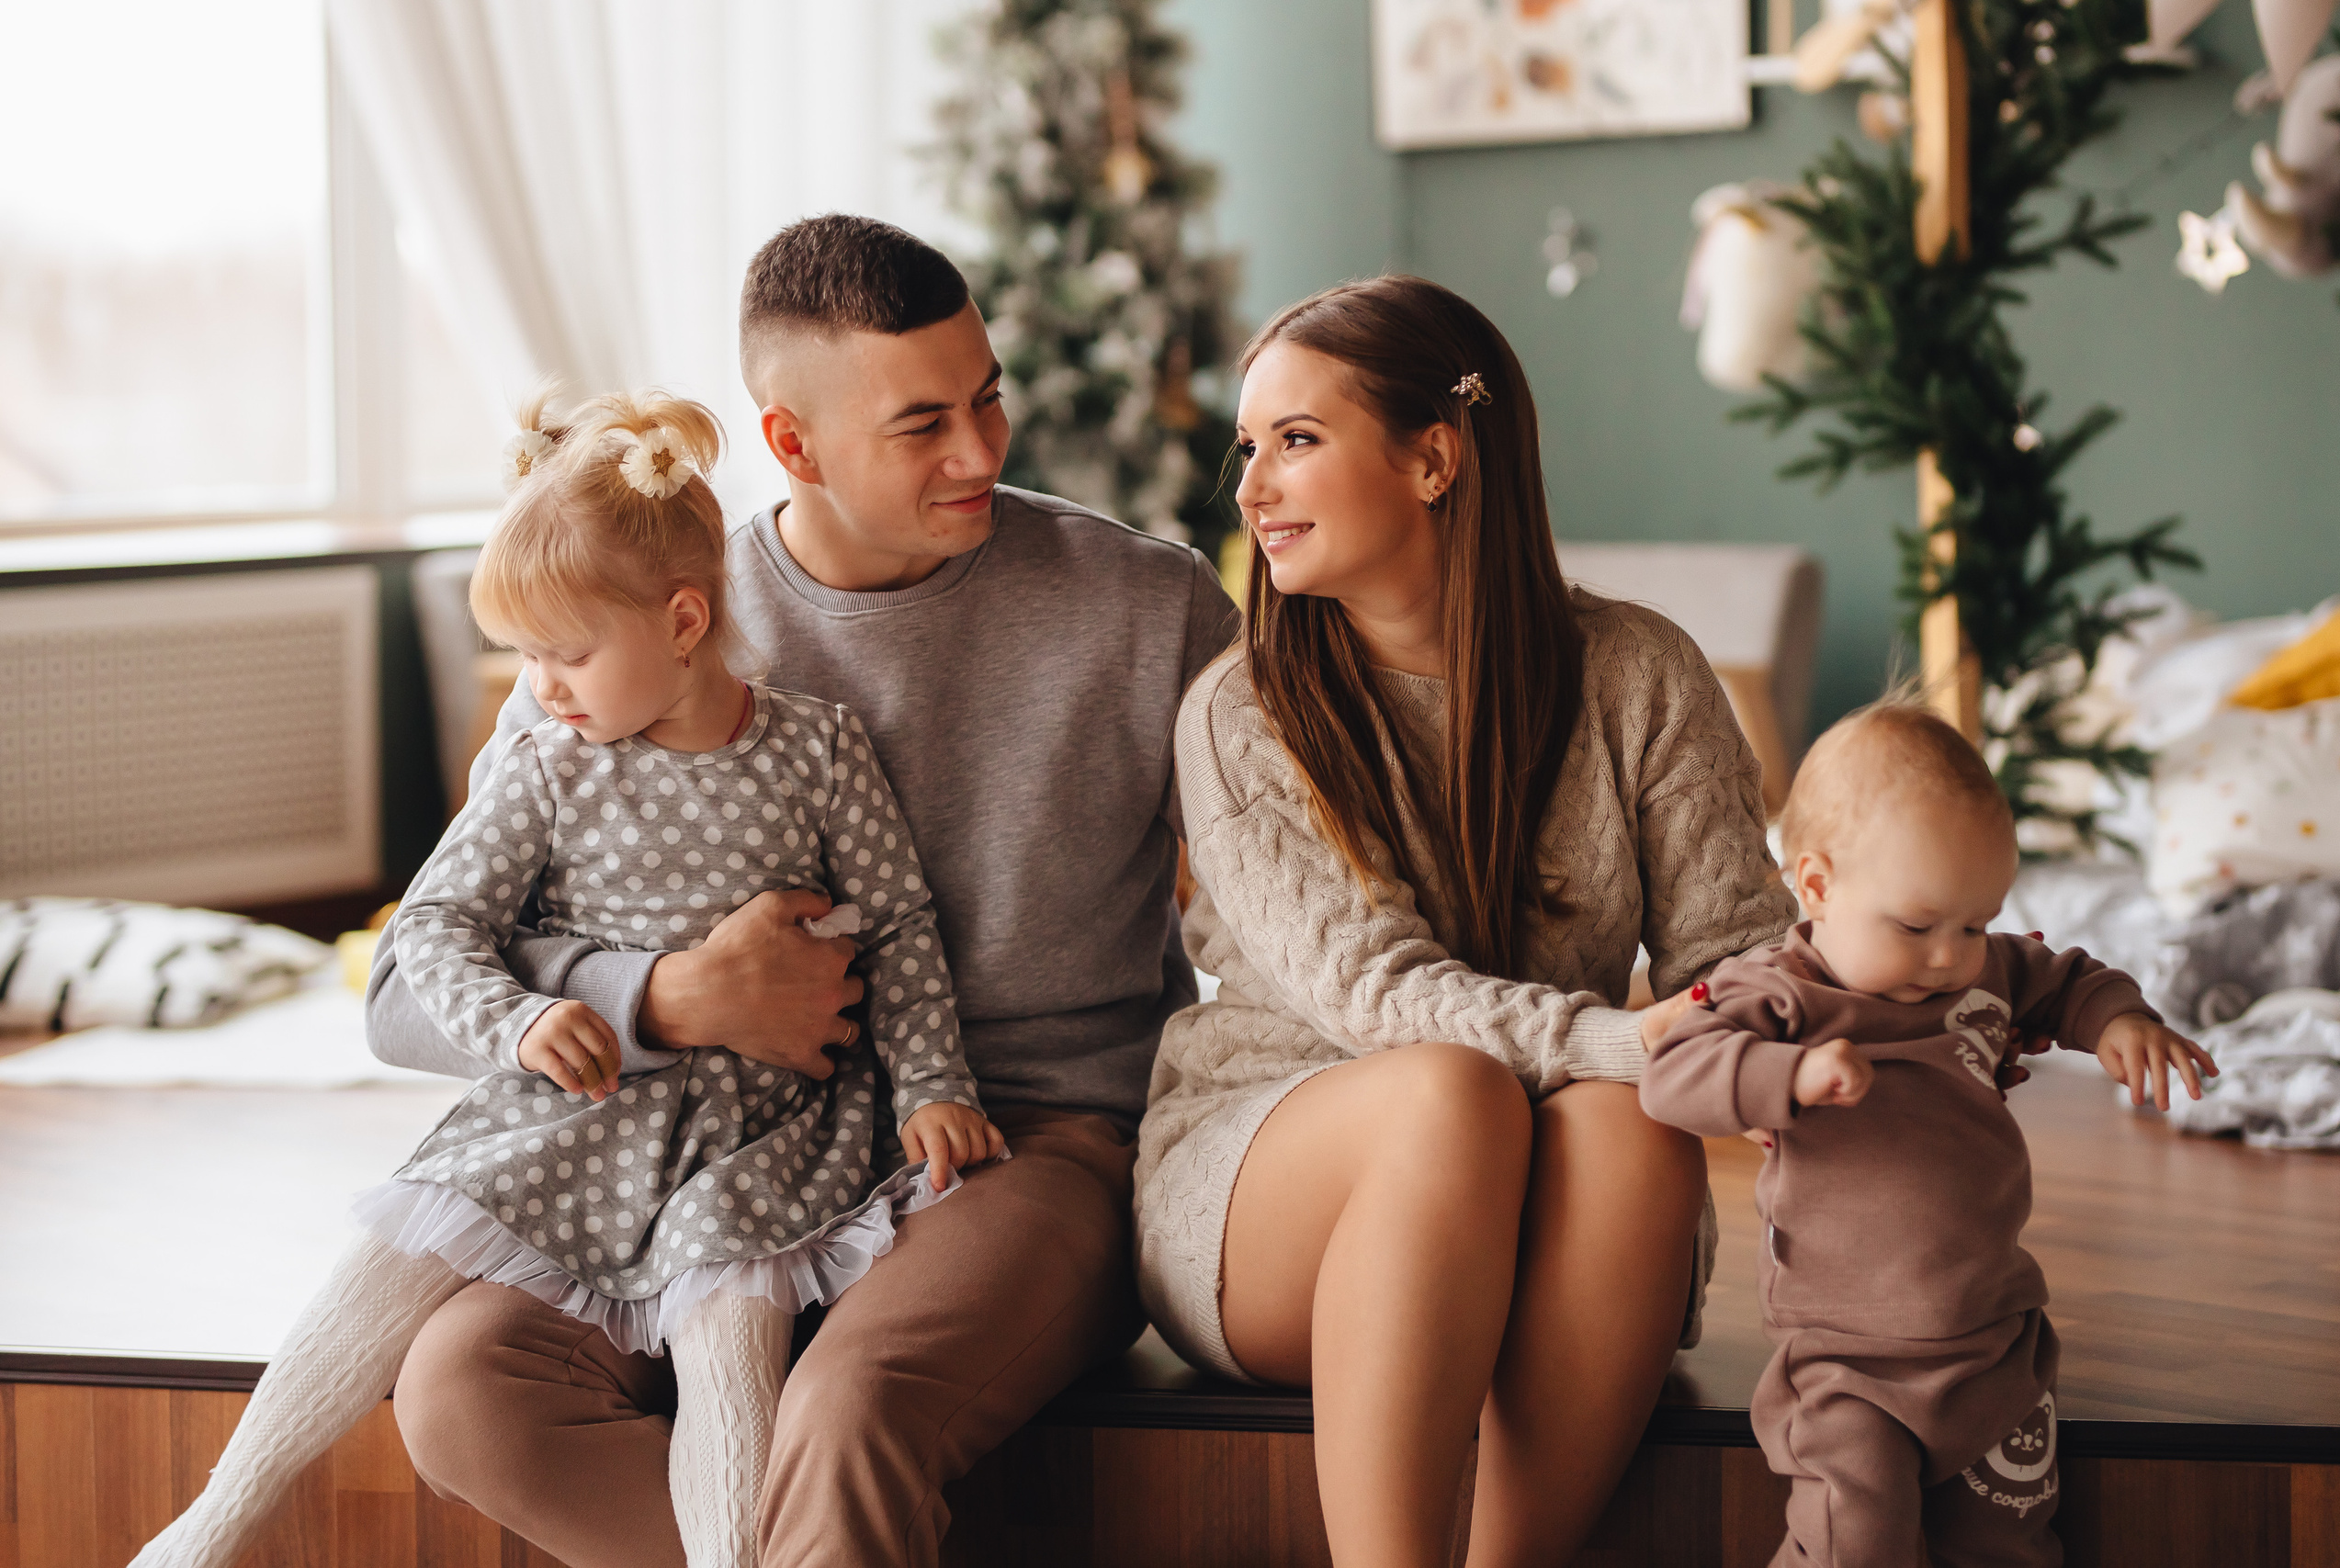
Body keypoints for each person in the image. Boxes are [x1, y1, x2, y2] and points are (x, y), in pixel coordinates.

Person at [364, 215, 1239, 1568]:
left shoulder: (1149, 606)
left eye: (989, 398)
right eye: (923, 423)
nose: (982, 451)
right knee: (462, 1387)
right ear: (791, 443)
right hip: (687, 1154)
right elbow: (400, 992)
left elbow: (1288, 900)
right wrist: (660, 997)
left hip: (1024, 1141)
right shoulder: (640, 606)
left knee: (845, 1409)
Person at [135, 389, 1003, 1568]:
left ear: (684, 620)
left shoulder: (817, 747)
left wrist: (930, 1088)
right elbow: (435, 928)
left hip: (764, 1132)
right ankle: (210, 1526)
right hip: (574, 1115)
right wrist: (525, 1017)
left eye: (565, 651)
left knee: (727, 1332)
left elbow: (900, 927)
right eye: (523, 655)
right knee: (399, 1249)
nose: (538, 685)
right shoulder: (546, 766)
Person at [1135, 274, 1797, 1568]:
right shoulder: (1242, 711)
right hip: (1269, 1189)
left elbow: (1742, 959)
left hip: (1549, 1192)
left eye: (1298, 439)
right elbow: (1377, 994)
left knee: (1629, 1118)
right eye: (1248, 446)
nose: (1252, 484)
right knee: (1451, 1089)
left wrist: (1894, 1012)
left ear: (1434, 457)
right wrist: (1631, 1036)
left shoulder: (1641, 673)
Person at [1640, 697, 2215, 1568]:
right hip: (1845, 1364)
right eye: (1916, 926)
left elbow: (2067, 977)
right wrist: (1784, 1075)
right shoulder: (1779, 993)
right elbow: (1673, 1073)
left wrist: (2118, 1022)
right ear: (1819, 884)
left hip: (1997, 1349)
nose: (1952, 955)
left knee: (2011, 1548)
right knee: (1852, 1544)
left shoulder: (1985, 972)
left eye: (1976, 922)